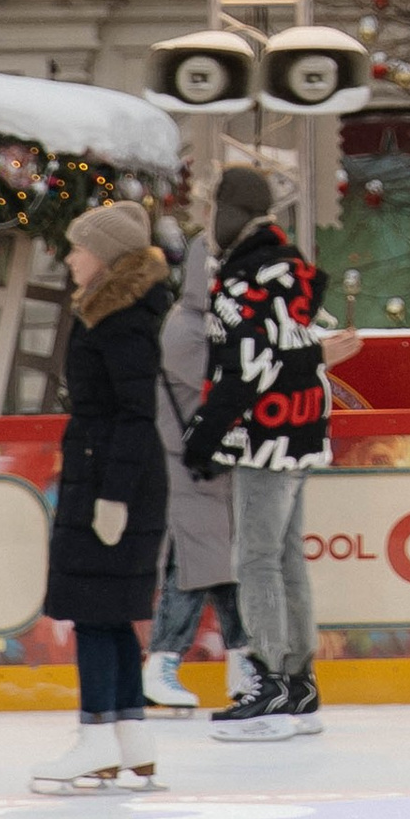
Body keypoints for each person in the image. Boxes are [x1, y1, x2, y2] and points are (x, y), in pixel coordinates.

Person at [30, 202, 175, 798]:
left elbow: (135, 414)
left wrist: (112, 496)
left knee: (94, 611)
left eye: (78, 249)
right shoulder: (113, 315)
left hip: (114, 482)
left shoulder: (122, 322)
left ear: (107, 258)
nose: (69, 258)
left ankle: (95, 738)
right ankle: (131, 737)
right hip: (109, 476)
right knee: (110, 610)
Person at [183, 163, 330, 742]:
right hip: (303, 426)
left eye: (210, 211)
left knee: (257, 559)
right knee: (286, 554)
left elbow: (242, 372)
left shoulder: (243, 282)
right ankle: (298, 678)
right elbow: (293, 347)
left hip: (266, 432)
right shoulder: (289, 268)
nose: (206, 223)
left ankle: (270, 678)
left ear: (231, 215)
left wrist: (205, 437)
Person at [141, 219, 245, 712]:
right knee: (197, 566)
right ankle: (164, 661)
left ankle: (240, 661)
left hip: (208, 466)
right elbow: (228, 381)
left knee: (221, 567)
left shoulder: (217, 322)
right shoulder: (185, 327)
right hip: (187, 466)